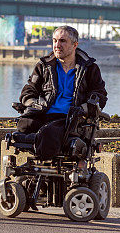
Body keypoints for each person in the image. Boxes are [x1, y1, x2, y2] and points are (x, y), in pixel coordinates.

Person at [16, 26, 107, 159]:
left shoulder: (90, 68)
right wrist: (34, 103)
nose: (57, 45)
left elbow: (100, 95)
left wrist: (85, 108)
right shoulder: (44, 66)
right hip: (43, 113)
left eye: (62, 41)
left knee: (48, 132)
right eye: (55, 40)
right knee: (23, 125)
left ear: (75, 45)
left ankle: (42, 167)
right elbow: (28, 92)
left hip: (72, 118)